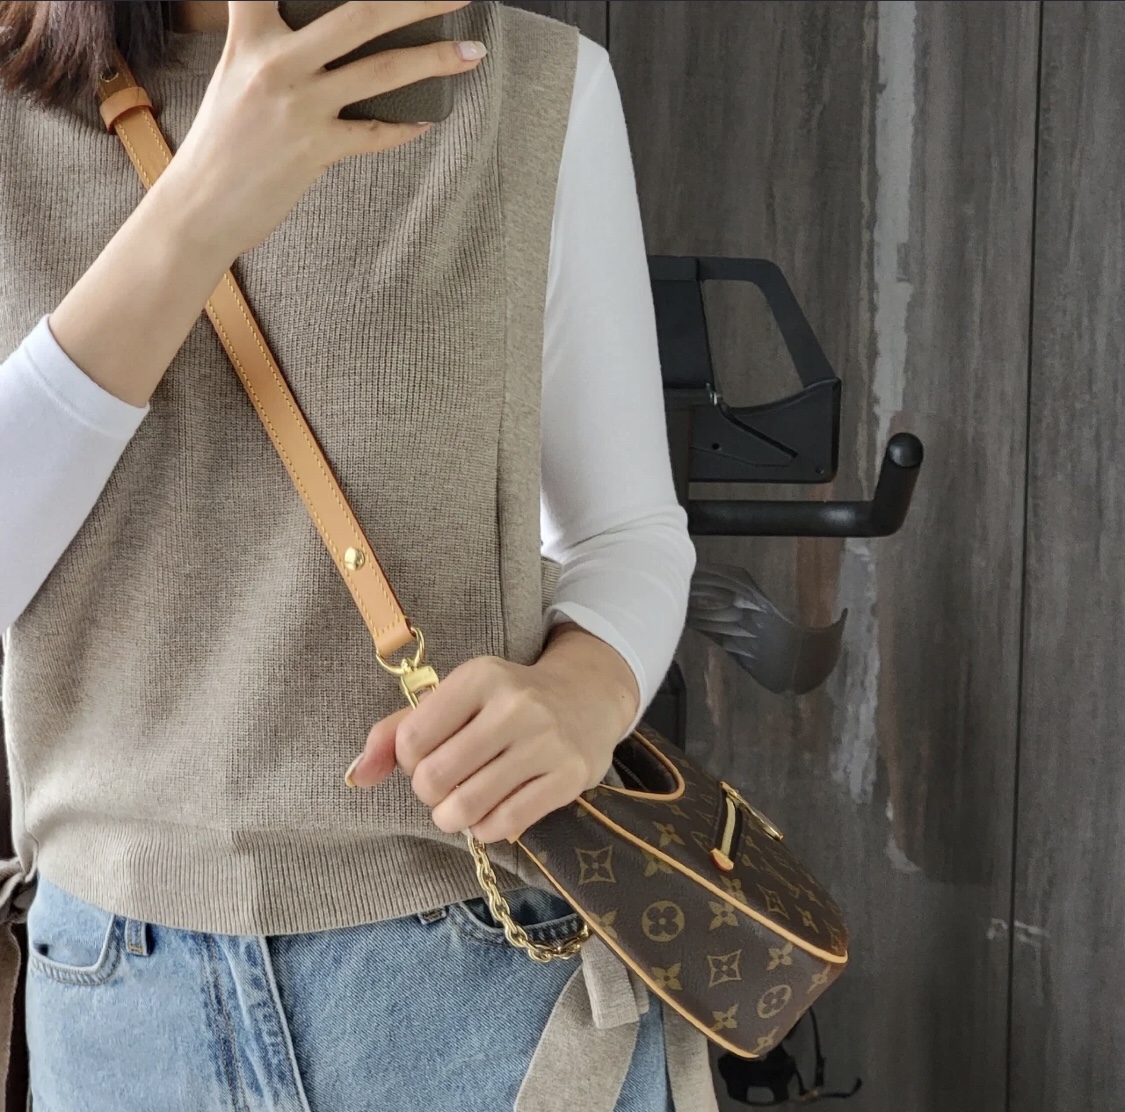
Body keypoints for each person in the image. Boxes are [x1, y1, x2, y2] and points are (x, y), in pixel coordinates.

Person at [0, 1, 713, 1109]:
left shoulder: (527, 87)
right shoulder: (13, 107)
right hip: (117, 1005)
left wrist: (585, 693)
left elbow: (625, 531)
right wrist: (198, 204)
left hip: (480, 977)